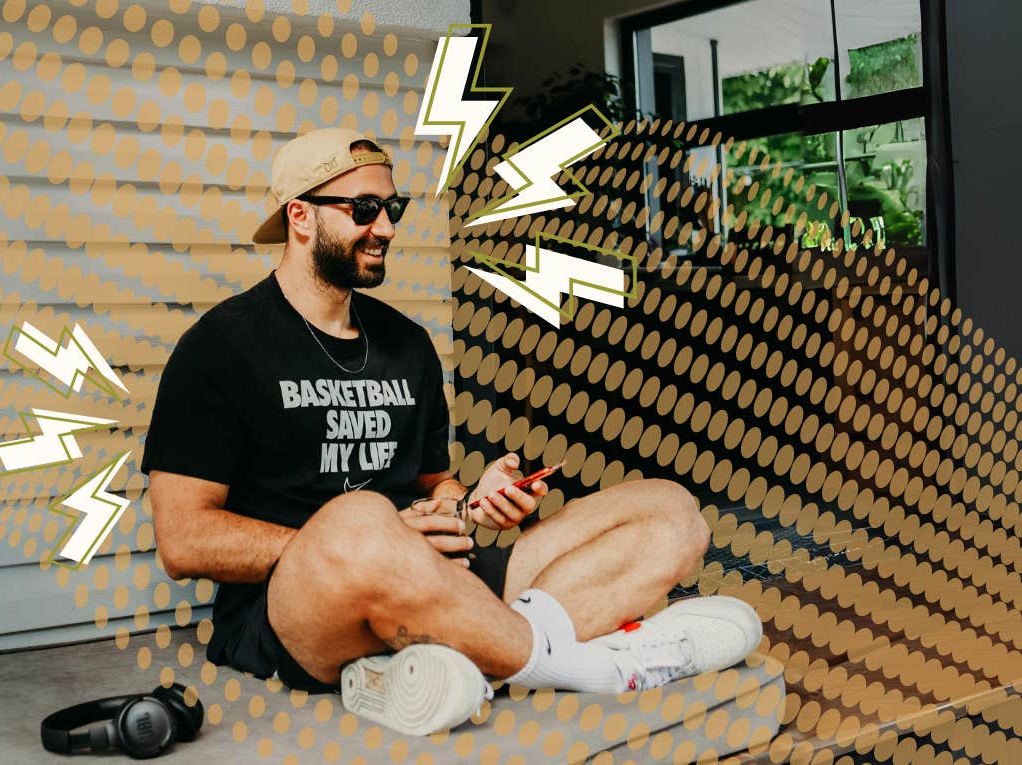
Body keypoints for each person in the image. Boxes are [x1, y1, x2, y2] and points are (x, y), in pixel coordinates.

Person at [142, 128, 762, 736]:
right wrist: (370, 540)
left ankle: (457, 661)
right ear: (300, 217)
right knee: (359, 517)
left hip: (444, 575)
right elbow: (184, 541)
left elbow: (436, 484)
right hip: (297, 610)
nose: (385, 227)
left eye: (392, 208)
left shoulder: (406, 344)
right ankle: (586, 665)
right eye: (364, 209)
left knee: (671, 511)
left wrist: (468, 503)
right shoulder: (220, 349)